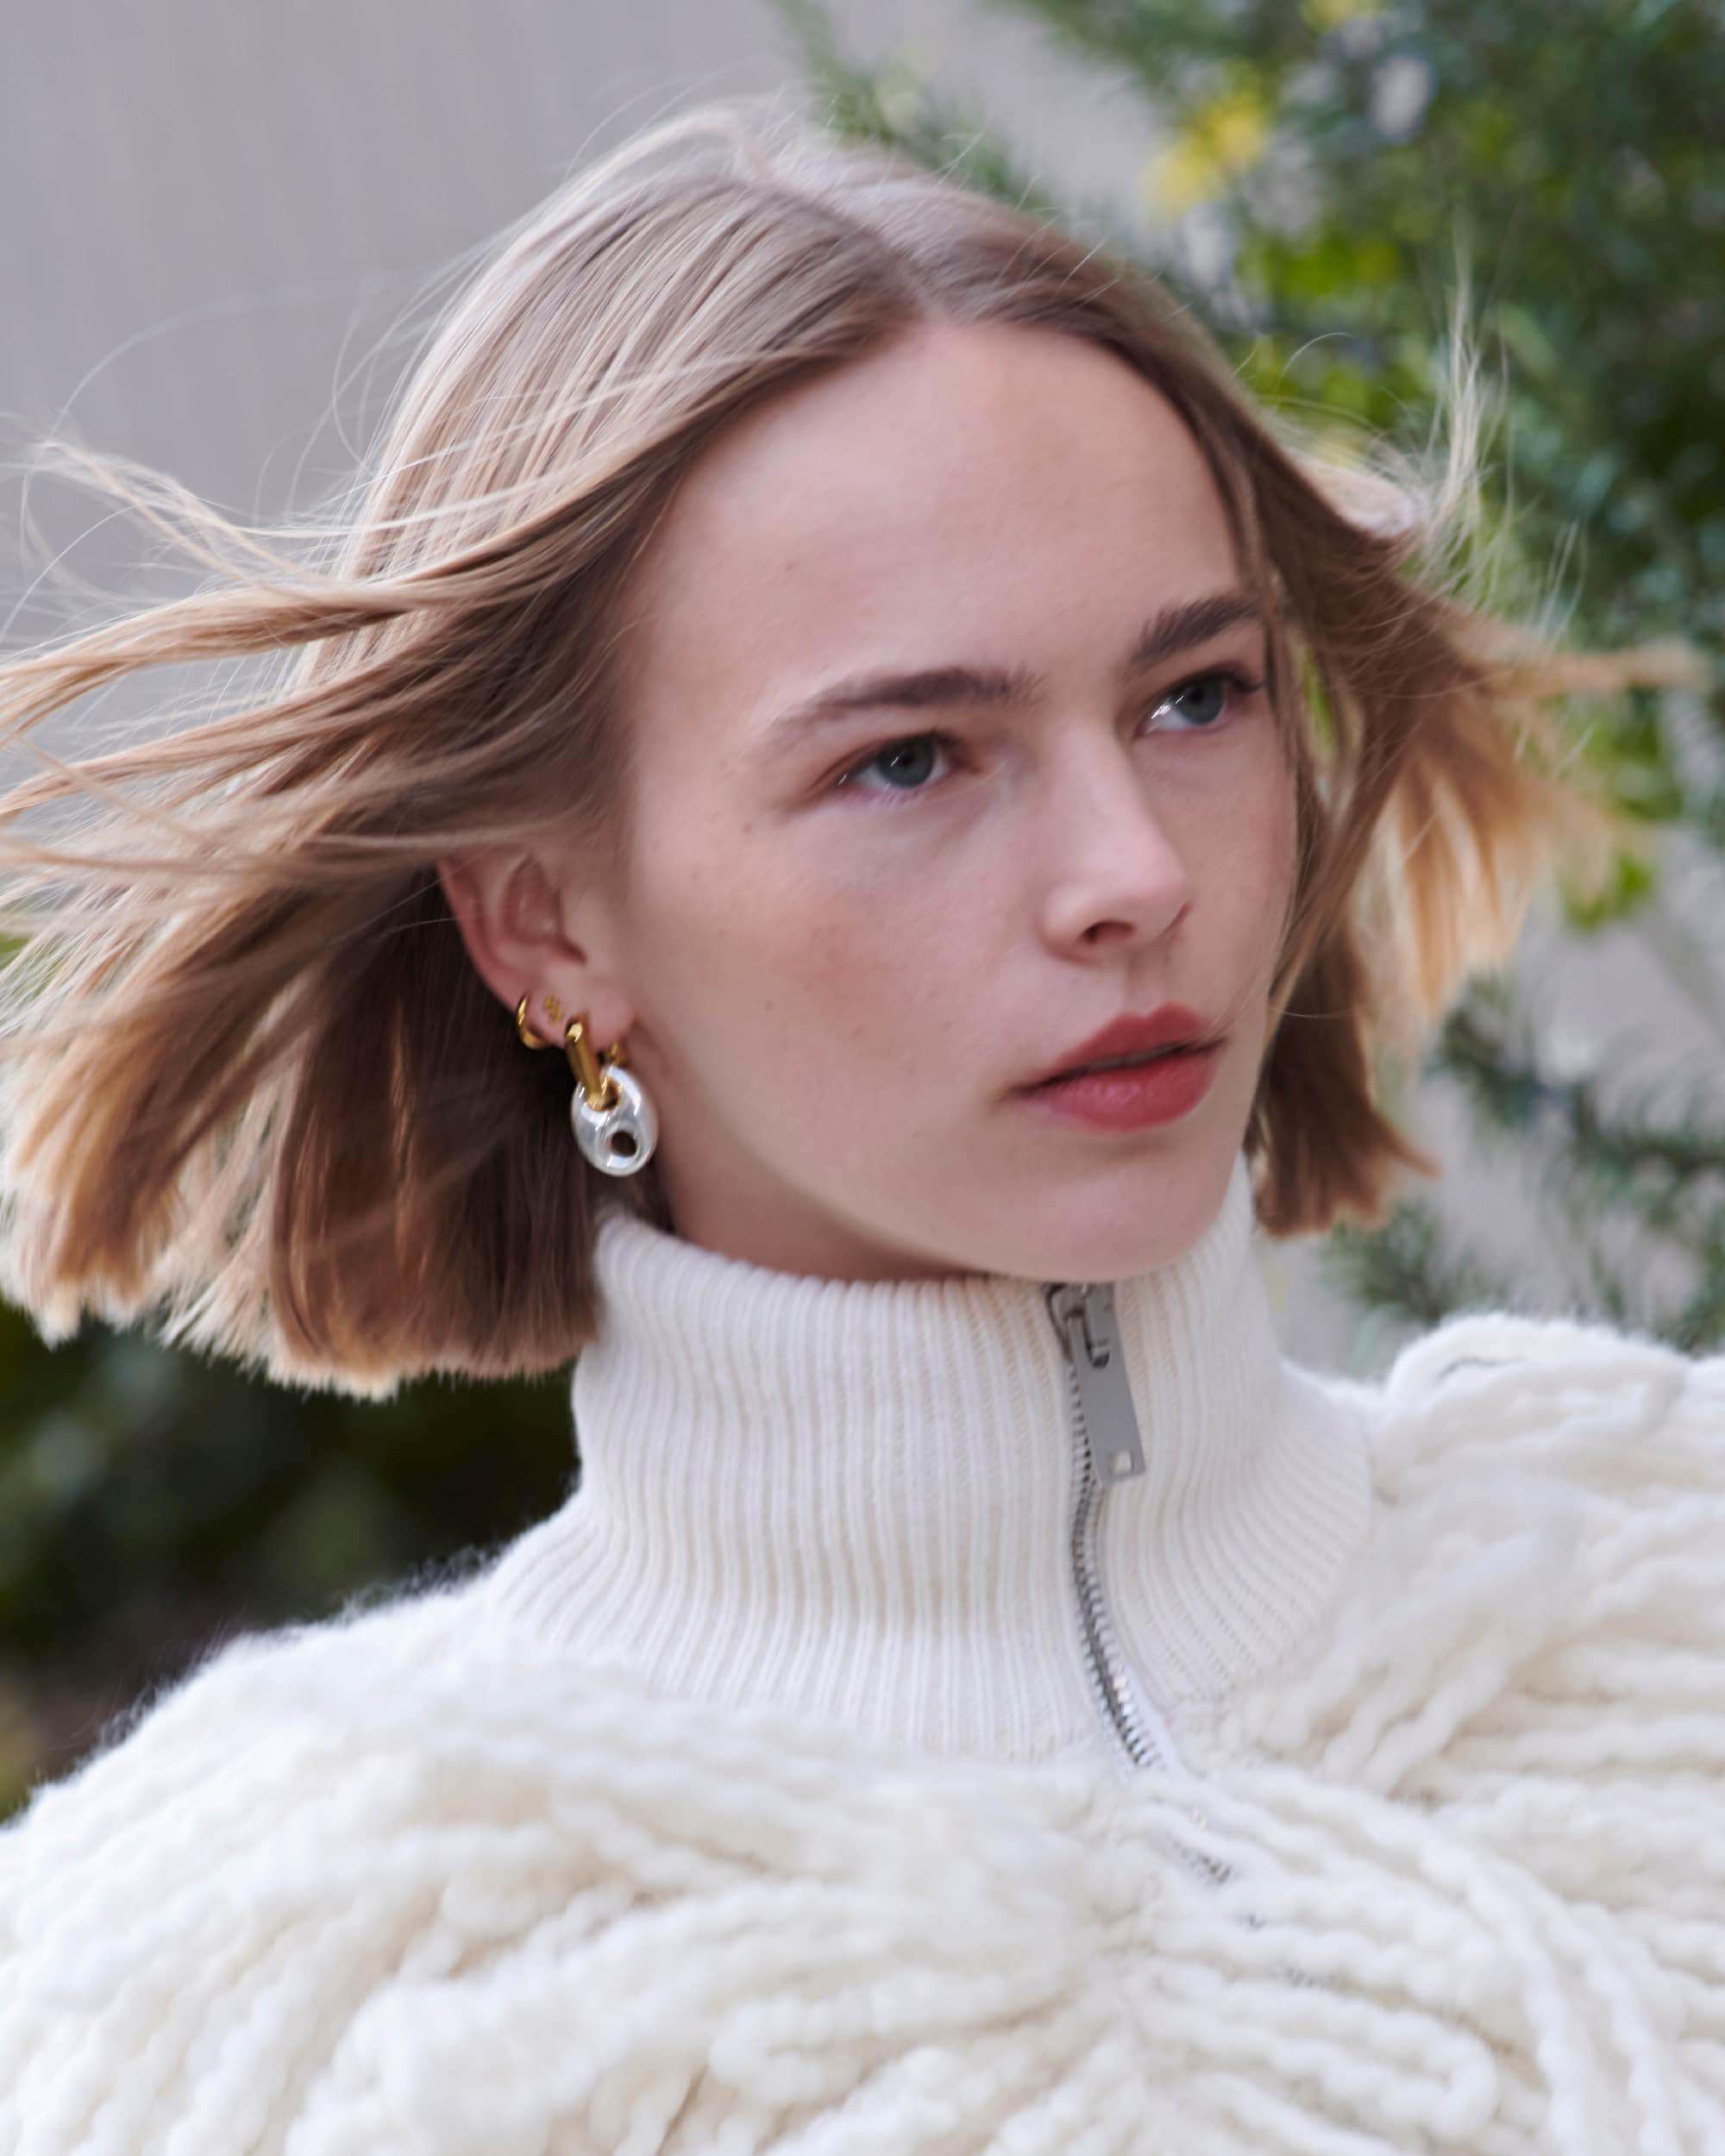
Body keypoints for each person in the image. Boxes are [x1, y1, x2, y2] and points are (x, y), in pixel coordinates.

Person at [0, 96, 1719, 2156]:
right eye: (912, 758)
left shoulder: (1658, 1611)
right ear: (542, 915)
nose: (1127, 871)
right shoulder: (276, 1984)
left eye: (1194, 698)